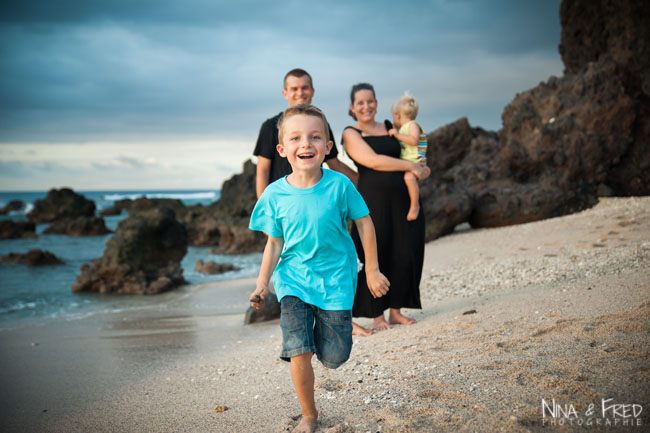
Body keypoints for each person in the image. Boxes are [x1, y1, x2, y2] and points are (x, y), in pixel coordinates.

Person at [249, 104, 389, 433]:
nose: (306, 144)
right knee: (299, 351)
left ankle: (321, 340)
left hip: (337, 280)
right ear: (283, 149)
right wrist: (261, 284)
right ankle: (309, 414)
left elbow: (365, 223)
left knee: (335, 356)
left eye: (315, 137)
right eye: (296, 138)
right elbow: (273, 243)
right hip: (293, 281)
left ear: (328, 147)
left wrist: (371, 270)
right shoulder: (275, 194)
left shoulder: (340, 186)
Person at [342, 83, 430, 332]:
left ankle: (396, 311)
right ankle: (376, 315)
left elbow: (413, 150)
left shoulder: (393, 128)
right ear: (352, 107)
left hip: (404, 199)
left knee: (405, 251)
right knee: (373, 254)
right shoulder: (351, 132)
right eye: (360, 102)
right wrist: (409, 167)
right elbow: (373, 161)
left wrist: (421, 167)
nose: (366, 106)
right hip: (372, 201)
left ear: (377, 103)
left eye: (370, 101)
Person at [253, 68, 357, 198]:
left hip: (317, 197)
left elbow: (335, 164)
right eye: (294, 89)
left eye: (305, 88)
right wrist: (264, 208)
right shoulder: (270, 126)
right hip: (282, 201)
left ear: (312, 91)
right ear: (285, 93)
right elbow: (263, 171)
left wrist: (366, 181)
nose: (300, 93)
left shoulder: (321, 125)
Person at [387, 93, 427, 221]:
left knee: (409, 178)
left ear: (398, 115)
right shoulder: (404, 128)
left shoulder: (412, 125)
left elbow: (414, 141)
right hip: (408, 162)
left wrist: (397, 135)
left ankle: (415, 205)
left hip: (416, 162)